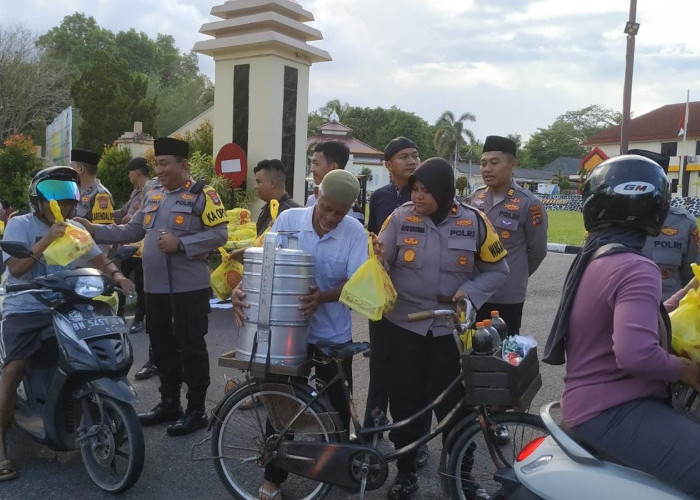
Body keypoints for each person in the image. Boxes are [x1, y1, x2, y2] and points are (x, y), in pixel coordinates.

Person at [544, 154, 700, 497]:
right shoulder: (634, 266)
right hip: (615, 408)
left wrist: (690, 290)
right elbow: (636, 355)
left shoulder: (599, 254)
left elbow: (642, 313)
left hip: (592, 399)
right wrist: (687, 370)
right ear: (654, 206)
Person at [376, 158, 509, 500]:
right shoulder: (400, 218)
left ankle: (463, 478)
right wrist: (376, 257)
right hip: (404, 327)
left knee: (456, 408)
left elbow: (499, 269)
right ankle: (406, 475)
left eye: (425, 191)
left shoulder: (474, 221)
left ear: (444, 191)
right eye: (415, 189)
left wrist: (471, 293)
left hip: (449, 330)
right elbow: (380, 262)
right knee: (405, 403)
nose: (417, 197)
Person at [77, 137, 228, 437]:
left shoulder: (202, 194)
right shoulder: (153, 192)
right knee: (162, 347)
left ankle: (196, 410)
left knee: (191, 347)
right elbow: (134, 229)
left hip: (188, 289)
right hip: (155, 289)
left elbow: (220, 234)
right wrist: (95, 230)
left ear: (183, 165)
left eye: (164, 164)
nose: (158, 170)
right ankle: (169, 404)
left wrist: (181, 243)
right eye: (156, 164)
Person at [232, 169, 368, 500]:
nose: (332, 217)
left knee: (336, 405)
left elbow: (356, 281)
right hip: (283, 333)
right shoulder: (289, 219)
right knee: (282, 406)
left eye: (341, 211)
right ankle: (273, 477)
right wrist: (240, 288)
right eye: (327, 208)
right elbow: (262, 264)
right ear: (316, 195)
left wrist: (322, 296)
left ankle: (339, 467)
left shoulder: (354, 232)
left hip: (331, 334)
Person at [0, 166, 134, 481]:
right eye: (55, 200)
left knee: (102, 349)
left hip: (71, 305)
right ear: (38, 201)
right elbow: (17, 269)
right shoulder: (20, 225)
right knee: (13, 369)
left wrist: (118, 276)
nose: (64, 206)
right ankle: (1, 448)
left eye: (69, 201)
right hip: (26, 306)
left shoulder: (75, 227)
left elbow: (99, 259)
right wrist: (47, 238)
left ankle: (104, 408)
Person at [363, 137, 423, 455]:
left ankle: (414, 442)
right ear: (388, 164)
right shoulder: (381, 197)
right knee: (380, 368)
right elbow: (372, 237)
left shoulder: (425, 194)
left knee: (411, 375)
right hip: (383, 299)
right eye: (404, 156)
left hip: (416, 302)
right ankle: (372, 432)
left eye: (415, 155)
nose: (412, 161)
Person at [470, 135, 547, 334]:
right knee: (471, 351)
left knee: (506, 354)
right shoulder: (476, 197)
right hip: (474, 292)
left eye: (494, 163)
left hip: (506, 296)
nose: (487, 168)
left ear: (512, 164)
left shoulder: (530, 204)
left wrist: (516, 274)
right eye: (483, 163)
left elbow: (537, 250)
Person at [630, 150, 700, 302]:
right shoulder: (607, 220)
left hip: (668, 316)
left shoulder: (684, 223)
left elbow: (692, 277)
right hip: (616, 315)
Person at [228, 159, 299, 262]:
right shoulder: (265, 210)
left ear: (272, 183)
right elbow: (261, 244)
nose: (256, 187)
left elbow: (286, 250)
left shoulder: (293, 212)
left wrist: (246, 252)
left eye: (258, 182)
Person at [71, 149, 114, 225]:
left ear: (80, 169)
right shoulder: (75, 189)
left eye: (71, 167)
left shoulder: (101, 195)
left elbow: (102, 231)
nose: (69, 170)